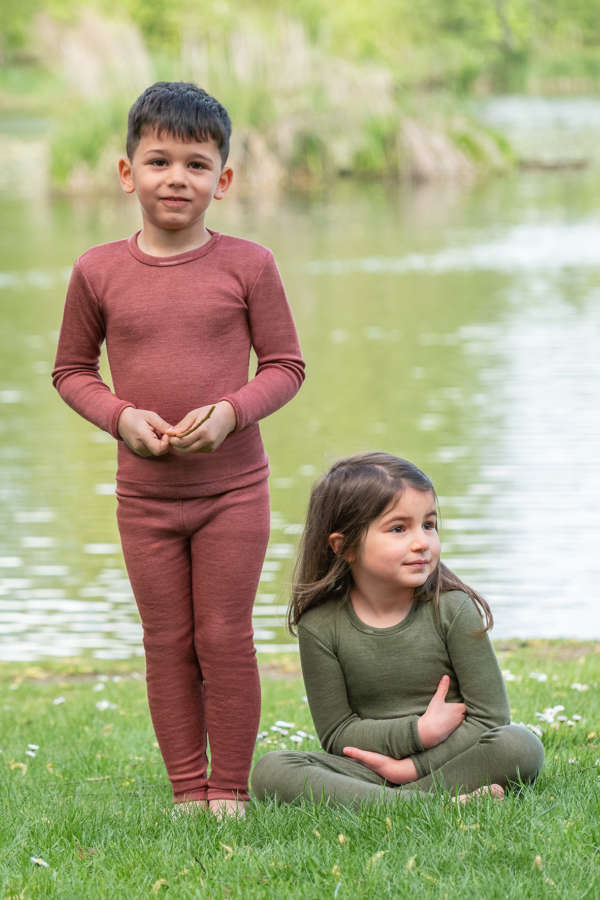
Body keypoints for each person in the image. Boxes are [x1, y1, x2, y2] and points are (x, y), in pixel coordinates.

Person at [52, 82, 305, 817]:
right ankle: (187, 793)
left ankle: (229, 789)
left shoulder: (249, 265)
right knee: (166, 640)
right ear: (127, 172)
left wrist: (232, 411)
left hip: (234, 493)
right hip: (146, 499)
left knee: (224, 637)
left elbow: (285, 366)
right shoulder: (97, 271)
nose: (176, 178)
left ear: (222, 181)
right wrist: (119, 416)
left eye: (197, 165)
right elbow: (72, 371)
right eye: (159, 161)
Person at [252, 452, 543, 807]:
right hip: (367, 769)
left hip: (451, 759)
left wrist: (412, 767)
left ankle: (398, 799)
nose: (421, 542)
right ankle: (428, 803)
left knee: (518, 744)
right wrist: (417, 732)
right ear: (344, 547)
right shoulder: (321, 626)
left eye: (429, 525)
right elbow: (337, 733)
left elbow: (489, 719)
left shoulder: (452, 608)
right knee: (273, 769)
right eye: (398, 528)